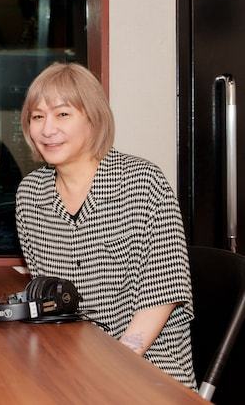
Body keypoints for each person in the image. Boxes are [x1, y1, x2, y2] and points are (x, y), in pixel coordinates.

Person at [15, 62, 196, 388]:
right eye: (37, 116)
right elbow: (49, 298)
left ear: (93, 119)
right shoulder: (30, 194)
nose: (47, 129)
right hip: (73, 364)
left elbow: (161, 298)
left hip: (148, 369)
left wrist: (106, 372)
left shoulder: (143, 183)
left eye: (63, 114)